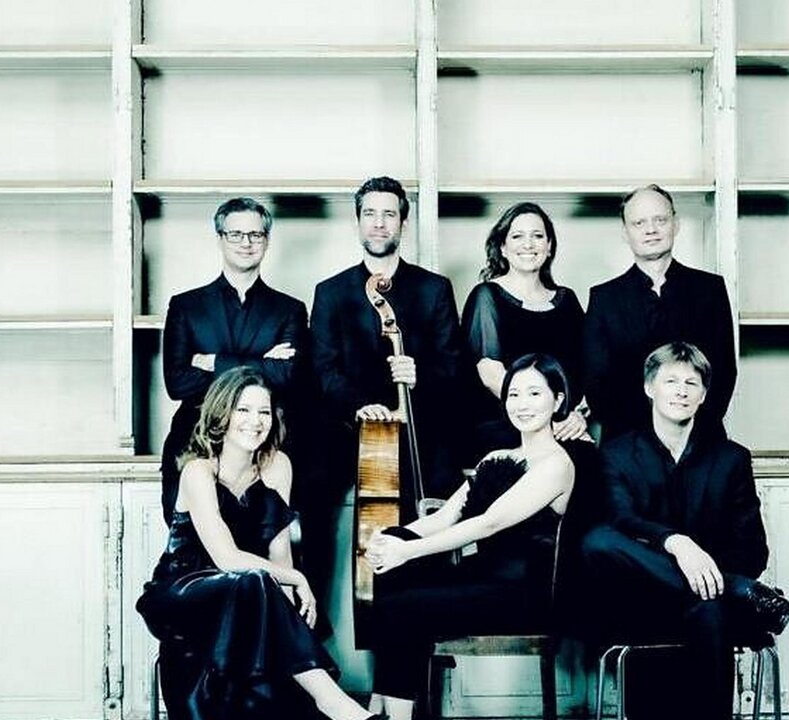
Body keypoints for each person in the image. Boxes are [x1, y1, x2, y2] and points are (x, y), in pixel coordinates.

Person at [136, 367, 385, 720]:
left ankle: (325, 703)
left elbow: (279, 552)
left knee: (257, 585)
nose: (255, 421)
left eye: (264, 412)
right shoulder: (198, 471)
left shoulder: (278, 465)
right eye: (244, 410)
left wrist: (290, 608)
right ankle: (334, 703)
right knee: (252, 579)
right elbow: (226, 558)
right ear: (223, 414)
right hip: (184, 590)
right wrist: (298, 580)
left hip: (249, 591)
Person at [580, 342, 789, 720]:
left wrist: (706, 575)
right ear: (649, 387)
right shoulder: (616, 454)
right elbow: (620, 519)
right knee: (598, 541)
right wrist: (678, 544)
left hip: (710, 603)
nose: (681, 391)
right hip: (643, 599)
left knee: (709, 611)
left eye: (691, 383)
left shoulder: (731, 459)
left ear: (703, 395)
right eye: (671, 381)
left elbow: (753, 550)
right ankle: (740, 590)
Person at [363, 354, 577, 720]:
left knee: (401, 607)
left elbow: (488, 524)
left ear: (557, 401)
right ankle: (383, 702)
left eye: (534, 394)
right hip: (479, 578)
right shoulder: (495, 457)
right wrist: (388, 541)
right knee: (394, 552)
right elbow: (444, 517)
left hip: (521, 592)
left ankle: (389, 710)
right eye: (513, 395)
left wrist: (409, 551)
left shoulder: (558, 464)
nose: (522, 404)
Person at [309, 176, 465, 516]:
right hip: (350, 427)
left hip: (419, 427)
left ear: (403, 223)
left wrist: (419, 375)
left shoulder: (434, 288)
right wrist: (361, 406)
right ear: (357, 223)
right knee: (316, 484)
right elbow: (322, 369)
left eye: (389, 214)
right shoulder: (330, 292)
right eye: (370, 214)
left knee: (441, 487)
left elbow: (454, 366)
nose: (379, 223)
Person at [159, 197, 308, 524]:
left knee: (265, 540)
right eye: (236, 234)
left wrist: (212, 362)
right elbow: (177, 382)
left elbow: (287, 376)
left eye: (255, 235)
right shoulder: (185, 306)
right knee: (191, 542)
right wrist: (262, 362)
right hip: (195, 441)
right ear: (220, 239)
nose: (246, 243)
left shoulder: (290, 309)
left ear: (266, 240)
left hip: (265, 444)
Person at [584, 185, 737, 442]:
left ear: (676, 224)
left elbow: (723, 372)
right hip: (626, 446)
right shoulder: (604, 298)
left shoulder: (710, 289)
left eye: (660, 220)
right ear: (625, 232)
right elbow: (598, 386)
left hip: (700, 442)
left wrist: (686, 437)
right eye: (639, 223)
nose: (651, 229)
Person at [460, 202, 588, 459]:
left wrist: (577, 415)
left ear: (549, 246)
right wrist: (545, 421)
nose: (528, 244)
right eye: (517, 236)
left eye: (537, 236)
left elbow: (583, 369)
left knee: (589, 460)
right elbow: (491, 374)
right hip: (506, 428)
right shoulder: (486, 296)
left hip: (561, 426)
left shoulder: (568, 300)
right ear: (503, 248)